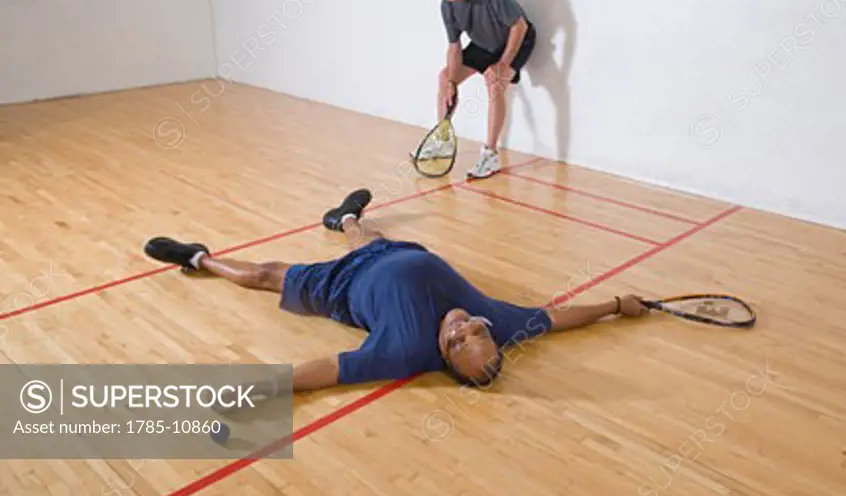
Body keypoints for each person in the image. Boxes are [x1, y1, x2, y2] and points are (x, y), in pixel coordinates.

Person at [142, 188, 649, 398]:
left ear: (443, 358)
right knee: (367, 235)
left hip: (342, 287)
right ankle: (343, 216)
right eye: (474, 329)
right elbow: (557, 318)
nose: (462, 325)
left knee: (265, 274)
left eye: (455, 340)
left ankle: (197, 257)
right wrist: (613, 306)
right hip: (394, 252)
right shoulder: (502, 324)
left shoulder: (404, 351)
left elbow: (330, 370)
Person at [424, 0, 537, 179]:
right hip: (485, 44)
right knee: (445, 75)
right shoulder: (447, 6)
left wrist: (503, 64)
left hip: (518, 39)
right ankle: (442, 140)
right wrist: (450, 83)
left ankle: (490, 155)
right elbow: (454, 47)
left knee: (494, 82)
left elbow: (519, 25)